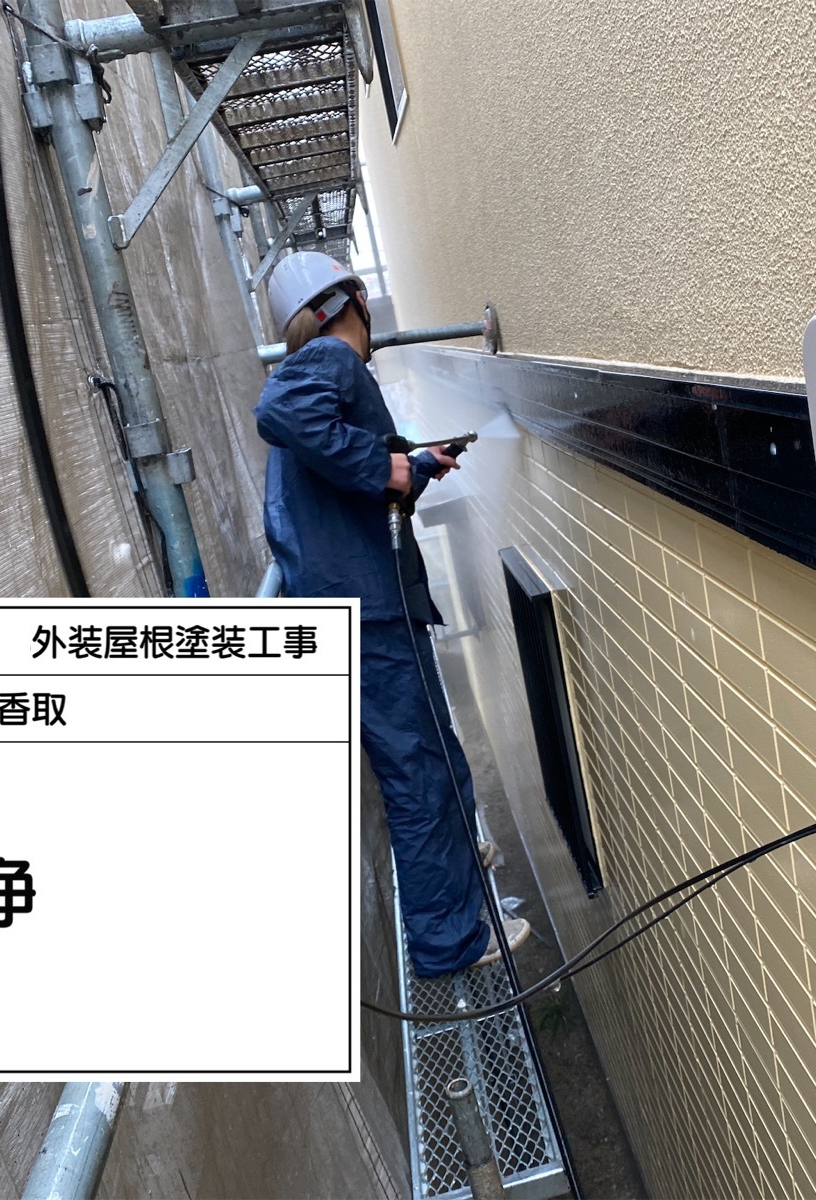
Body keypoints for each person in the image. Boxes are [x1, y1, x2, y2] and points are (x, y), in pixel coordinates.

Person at [253, 251, 529, 978]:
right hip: (365, 611)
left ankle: (458, 880)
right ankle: (450, 941)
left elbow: (347, 474)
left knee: (432, 756)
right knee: (419, 772)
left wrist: (415, 463)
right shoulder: (332, 361)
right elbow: (280, 412)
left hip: (362, 604)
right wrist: (389, 466)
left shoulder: (331, 376)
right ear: (352, 302)